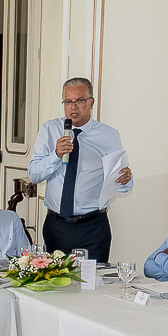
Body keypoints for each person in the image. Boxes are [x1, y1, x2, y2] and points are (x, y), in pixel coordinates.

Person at [27, 77, 133, 262]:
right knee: (54, 279)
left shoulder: (108, 135)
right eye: (68, 102)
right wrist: (56, 155)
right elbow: (34, 174)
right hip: (56, 225)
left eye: (80, 101)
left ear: (91, 102)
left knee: (93, 280)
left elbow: (120, 182)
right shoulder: (49, 129)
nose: (73, 107)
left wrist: (125, 180)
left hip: (93, 227)